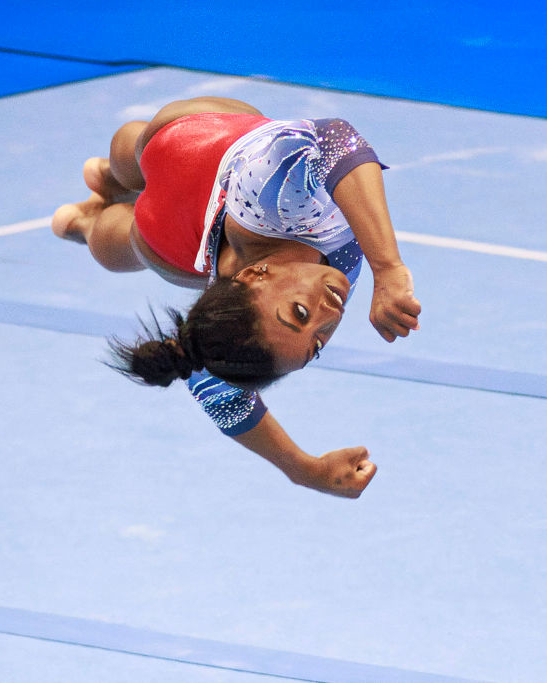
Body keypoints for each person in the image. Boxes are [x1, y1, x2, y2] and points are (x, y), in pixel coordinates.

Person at [52, 96, 421, 498]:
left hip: (178, 193)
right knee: (128, 195)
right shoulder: (325, 280)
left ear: (254, 276)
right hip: (175, 195)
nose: (329, 315)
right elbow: (333, 136)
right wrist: (303, 470)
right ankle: (98, 200)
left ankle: (99, 203)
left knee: (124, 200)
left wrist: (387, 267)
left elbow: (333, 138)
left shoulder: (275, 194)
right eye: (316, 343)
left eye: (299, 313)